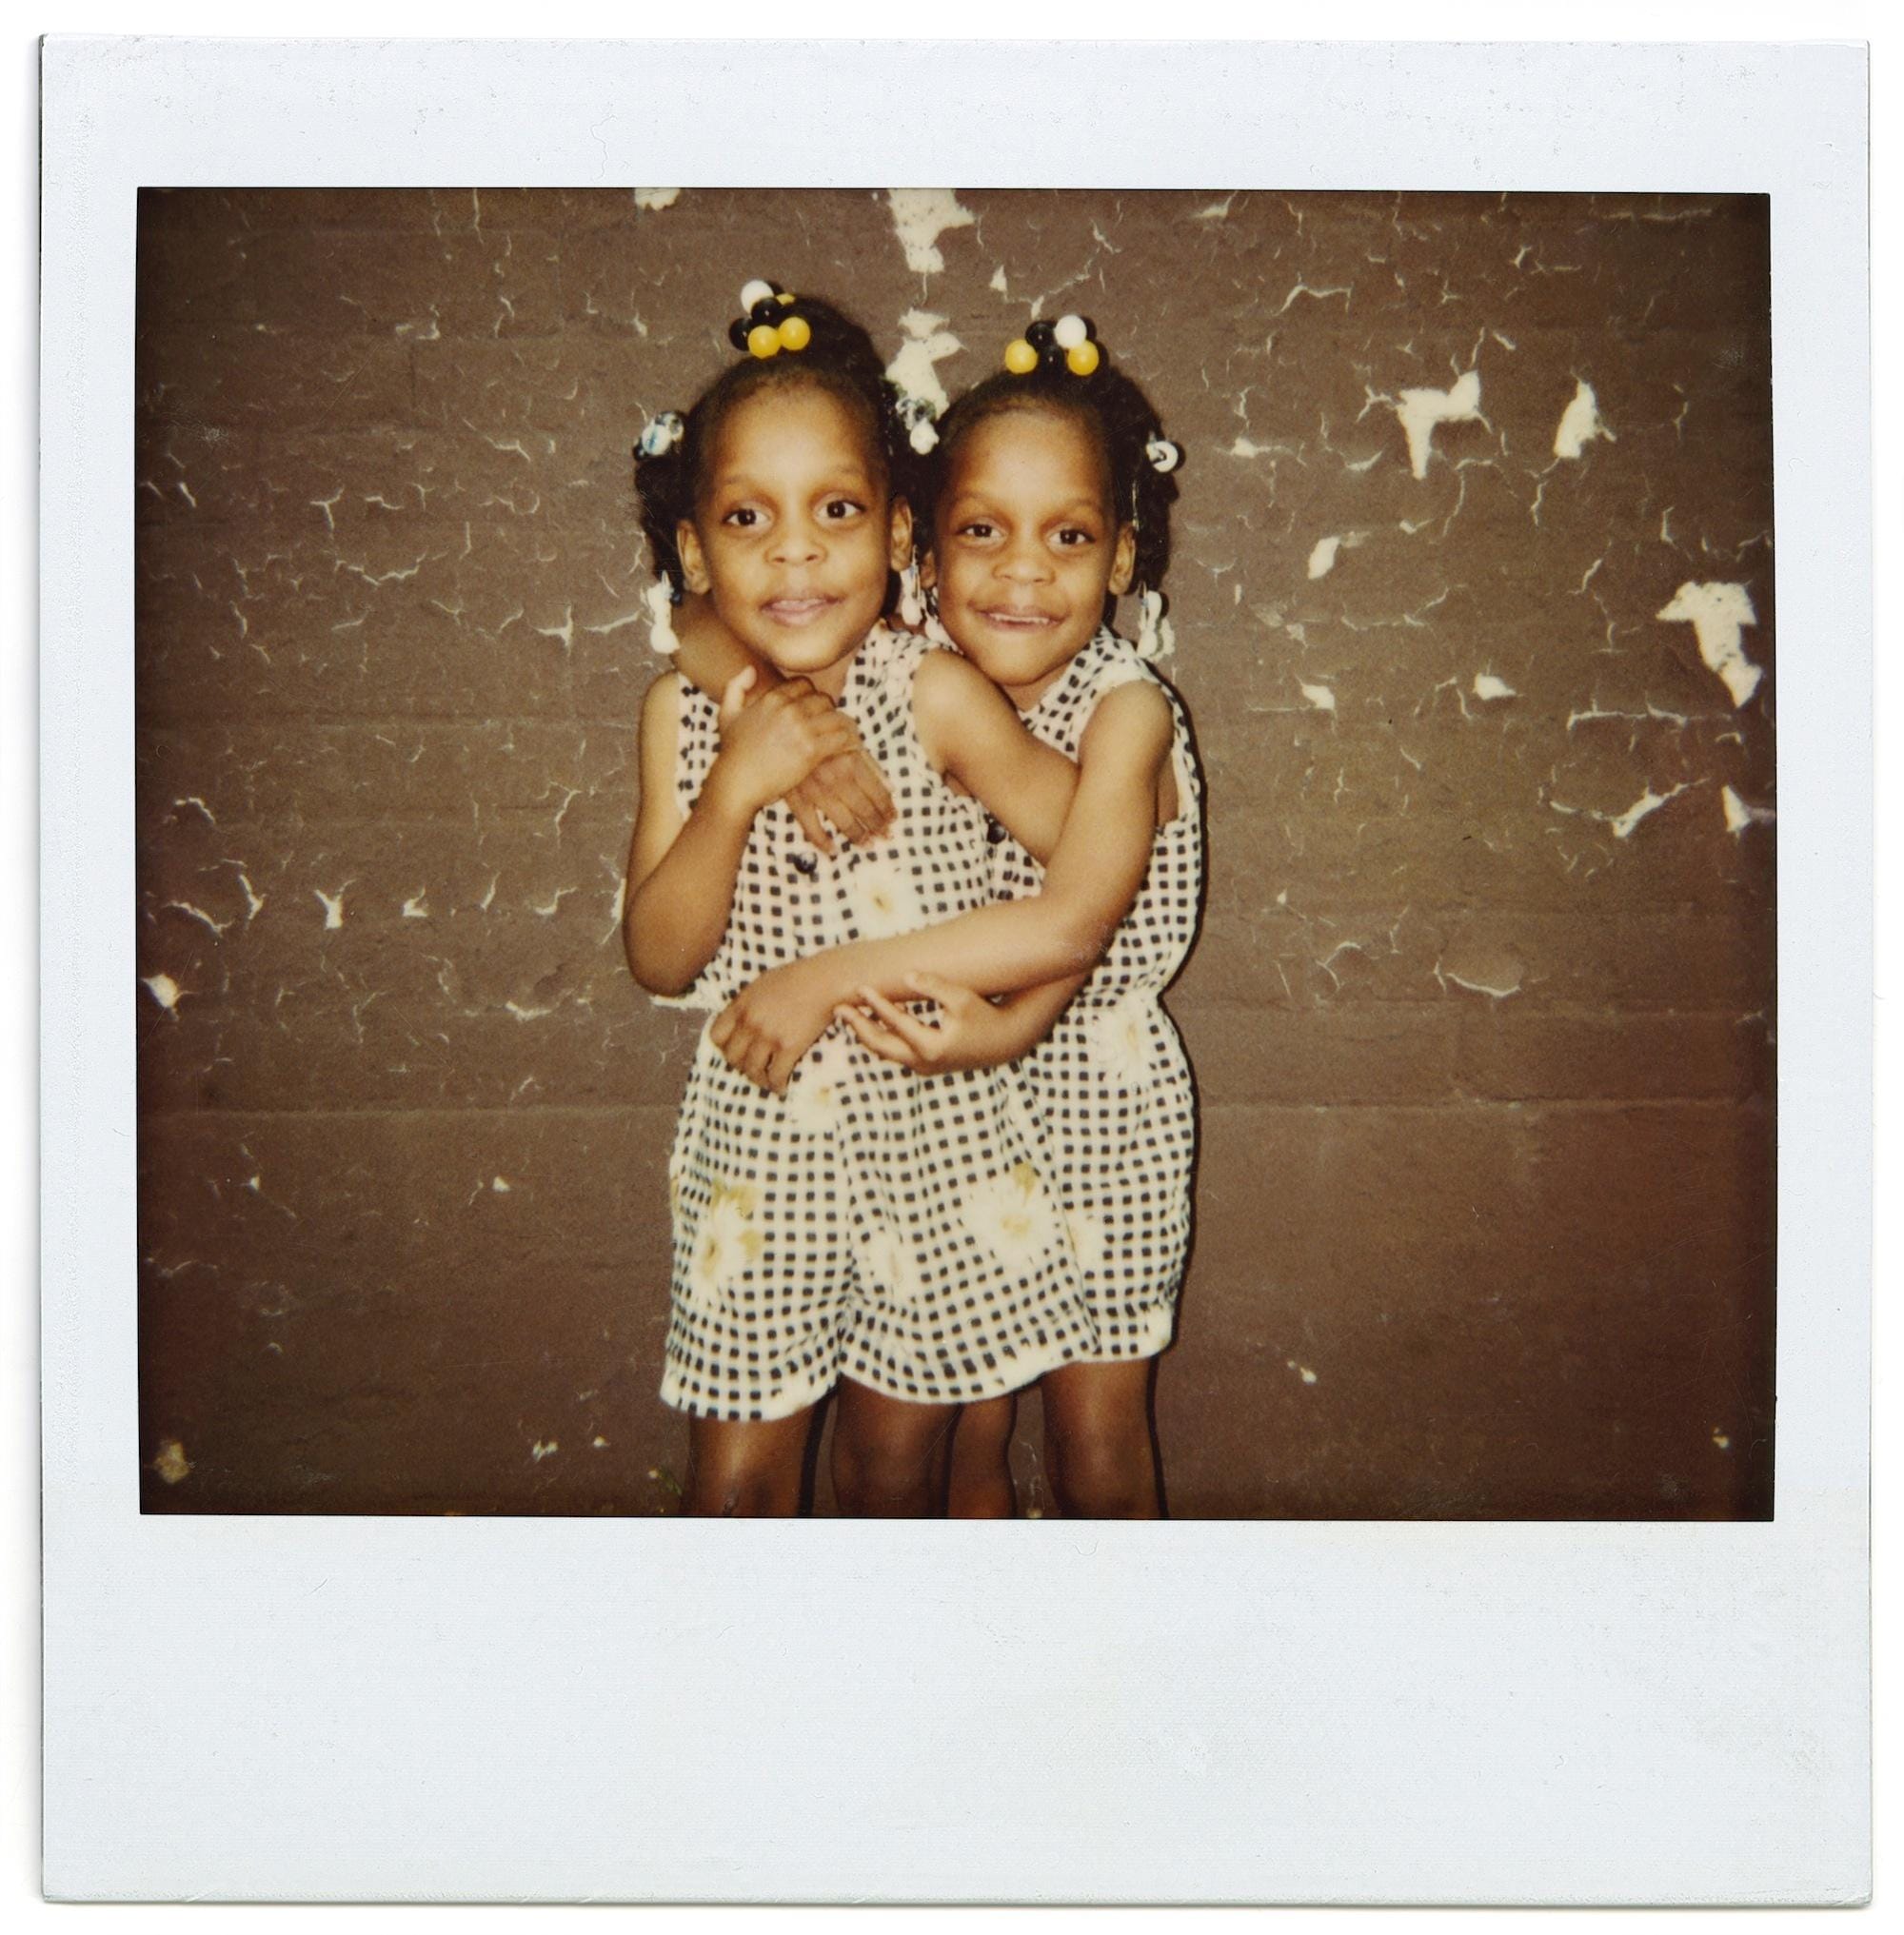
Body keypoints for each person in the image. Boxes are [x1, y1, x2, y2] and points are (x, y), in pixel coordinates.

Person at [677, 314, 1202, 1519]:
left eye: (1067, 536)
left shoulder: (1126, 713)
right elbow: (692, 617)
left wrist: (832, 979)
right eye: (982, 531)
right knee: (960, 1424)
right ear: (922, 542)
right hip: (938, 1101)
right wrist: (781, 728)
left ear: (1121, 555)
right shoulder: (909, 658)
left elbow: (1072, 924)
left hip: (1092, 1095)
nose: (1022, 572)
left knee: (1090, 1432)